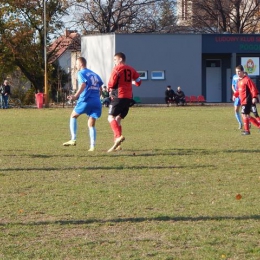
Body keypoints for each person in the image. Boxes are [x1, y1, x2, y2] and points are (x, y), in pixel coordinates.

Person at [63, 56, 103, 151]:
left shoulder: (81, 73)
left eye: (76, 63)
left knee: (73, 116)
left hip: (86, 100)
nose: (76, 65)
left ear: (81, 64)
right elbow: (100, 88)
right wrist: (97, 97)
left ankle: (73, 139)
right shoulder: (94, 74)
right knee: (91, 124)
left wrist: (75, 96)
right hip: (96, 102)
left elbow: (83, 84)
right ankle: (92, 146)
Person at [107, 52, 141, 152]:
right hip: (128, 98)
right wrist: (132, 82)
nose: (114, 62)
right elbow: (139, 82)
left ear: (120, 59)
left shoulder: (117, 69)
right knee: (118, 119)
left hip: (119, 96)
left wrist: (109, 88)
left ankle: (118, 136)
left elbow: (112, 84)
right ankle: (117, 145)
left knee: (110, 117)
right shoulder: (131, 69)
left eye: (115, 60)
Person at [233, 65, 260, 135]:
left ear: (242, 71)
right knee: (246, 115)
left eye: (239, 71)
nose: (238, 73)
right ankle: (257, 126)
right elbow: (238, 90)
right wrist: (234, 95)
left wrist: (254, 97)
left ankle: (247, 131)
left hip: (247, 100)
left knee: (245, 115)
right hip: (243, 101)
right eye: (236, 72)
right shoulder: (239, 81)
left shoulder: (247, 79)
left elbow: (253, 88)